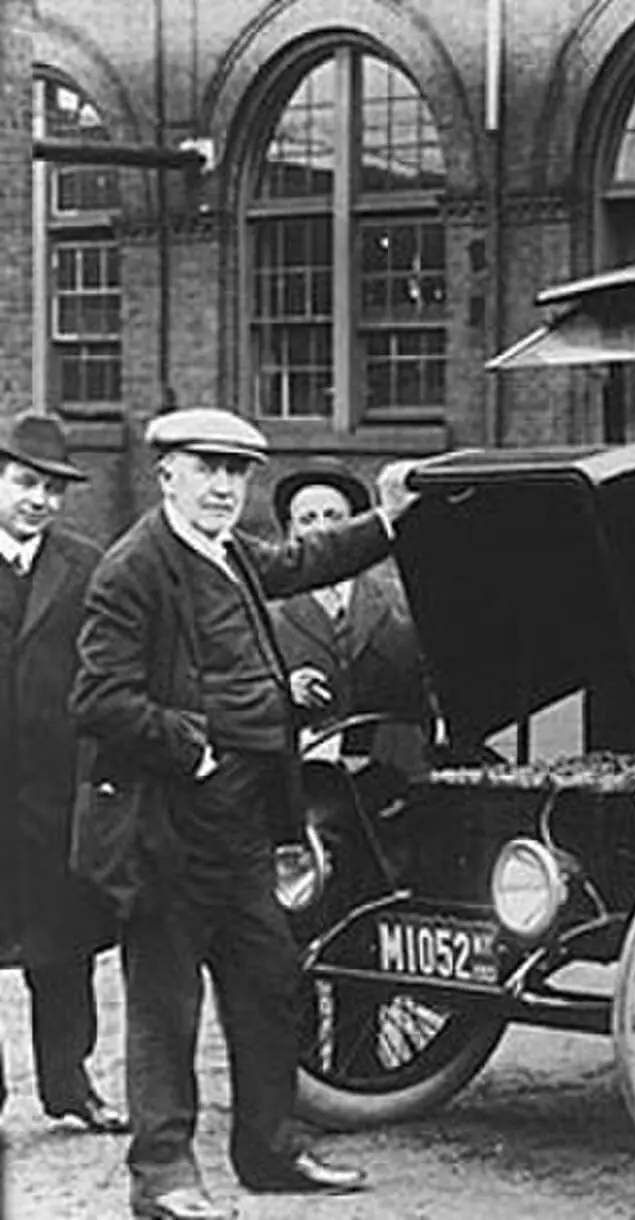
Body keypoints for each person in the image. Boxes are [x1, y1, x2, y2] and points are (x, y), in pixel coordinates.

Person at [69, 408, 418, 1220]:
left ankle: (269, 1152)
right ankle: (161, 1177)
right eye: (207, 468)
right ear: (168, 476)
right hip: (166, 828)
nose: (225, 485)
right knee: (165, 1007)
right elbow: (99, 699)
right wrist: (193, 748)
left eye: (237, 471)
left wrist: (390, 520)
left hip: (246, 828)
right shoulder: (134, 569)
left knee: (268, 985)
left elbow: (307, 557)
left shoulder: (230, 554)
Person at [0, 413, 127, 1136]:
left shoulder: (85, 566)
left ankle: (69, 1085)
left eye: (52, 488)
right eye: (24, 482)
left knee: (63, 946)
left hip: (55, 791)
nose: (39, 499)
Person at [267, 459, 431, 776]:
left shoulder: (400, 601)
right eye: (307, 519)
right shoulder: (268, 612)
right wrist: (286, 691)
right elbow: (238, 691)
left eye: (333, 516)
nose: (321, 528)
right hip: (304, 778)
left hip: (393, 772)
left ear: (355, 526)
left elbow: (430, 688)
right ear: (291, 532)